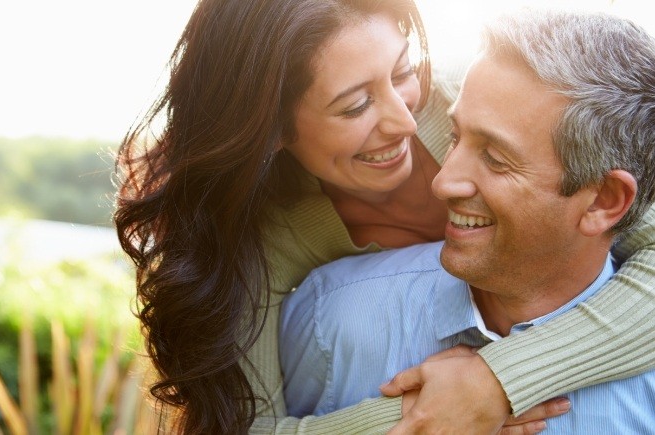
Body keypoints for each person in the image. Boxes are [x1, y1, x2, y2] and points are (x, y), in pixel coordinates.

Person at [112, 0, 655, 432]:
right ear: (271, 128)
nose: (405, 120)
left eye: (401, 71)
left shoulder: (483, 104)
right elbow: (237, 427)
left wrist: (499, 381)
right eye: (354, 106)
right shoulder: (263, 242)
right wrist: (423, 419)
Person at [281, 9, 655, 433]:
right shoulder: (327, 318)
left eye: (496, 159)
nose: (441, 182)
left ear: (603, 201)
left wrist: (501, 380)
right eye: (454, 137)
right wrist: (421, 418)